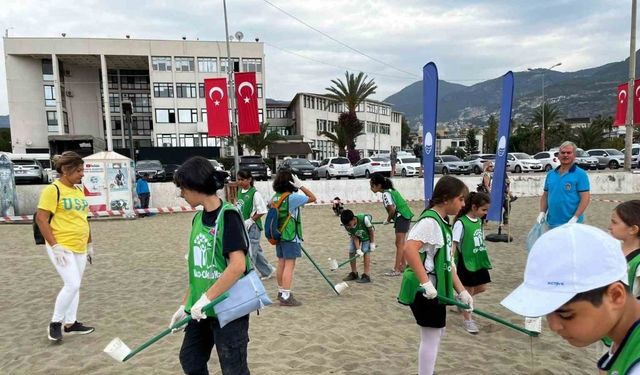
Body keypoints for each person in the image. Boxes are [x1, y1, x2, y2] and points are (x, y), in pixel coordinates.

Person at [501, 224, 640, 375]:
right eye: (547, 311)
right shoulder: (623, 337)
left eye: (566, 314)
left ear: (615, 296)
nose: (553, 326)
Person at [169, 156, 251, 375]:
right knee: (191, 359)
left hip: (227, 306)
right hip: (200, 311)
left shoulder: (228, 216)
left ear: (195, 186)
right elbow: (198, 270)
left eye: (182, 188)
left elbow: (237, 266)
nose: (181, 194)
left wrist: (207, 298)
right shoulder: (197, 219)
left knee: (233, 368)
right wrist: (185, 305)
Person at [397, 175, 474, 375]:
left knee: (437, 333)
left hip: (433, 287)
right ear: (446, 198)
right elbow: (409, 249)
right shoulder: (430, 221)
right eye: (461, 199)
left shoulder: (442, 222)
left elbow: (448, 264)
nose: (463, 204)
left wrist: (462, 291)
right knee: (431, 336)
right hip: (424, 290)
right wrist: (426, 283)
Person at [35, 151, 95, 342]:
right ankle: (55, 323)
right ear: (65, 171)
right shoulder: (53, 190)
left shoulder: (78, 191)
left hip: (80, 245)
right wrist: (55, 245)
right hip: (62, 245)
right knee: (72, 283)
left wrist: (90, 243)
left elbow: (83, 218)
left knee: (75, 286)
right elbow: (41, 219)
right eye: (78, 171)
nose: (82, 174)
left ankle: (71, 323)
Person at [271, 170, 316, 306]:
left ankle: (281, 292)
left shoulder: (275, 197)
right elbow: (313, 198)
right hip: (290, 235)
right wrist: (301, 186)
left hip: (278, 234)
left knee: (281, 263)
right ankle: (286, 295)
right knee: (289, 265)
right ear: (291, 183)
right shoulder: (291, 198)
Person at [452, 192, 492, 334]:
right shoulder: (461, 222)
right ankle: (468, 320)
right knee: (469, 290)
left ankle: (459, 300)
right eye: (484, 210)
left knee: (482, 288)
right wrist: (451, 259)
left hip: (477, 259)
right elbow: (454, 243)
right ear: (474, 207)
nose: (485, 213)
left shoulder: (479, 221)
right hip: (466, 262)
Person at [538, 141, 590, 229]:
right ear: (558, 155)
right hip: (552, 223)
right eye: (562, 153)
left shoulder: (580, 174)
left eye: (569, 153)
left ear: (574, 155)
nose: (565, 155)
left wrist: (575, 217)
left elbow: (585, 198)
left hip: (573, 224)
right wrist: (542, 212)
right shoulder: (551, 174)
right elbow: (545, 195)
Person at [370, 172, 414, 276]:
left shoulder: (386, 193)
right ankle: (403, 265)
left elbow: (392, 209)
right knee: (400, 244)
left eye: (372, 185)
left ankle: (397, 269)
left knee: (399, 244)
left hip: (401, 217)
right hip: (405, 216)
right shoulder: (390, 190)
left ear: (379, 185)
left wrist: (388, 220)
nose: (371, 188)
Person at [236, 169, 275, 280]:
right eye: (238, 179)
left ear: (249, 180)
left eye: (242, 179)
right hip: (243, 225)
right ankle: (267, 271)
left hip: (253, 226)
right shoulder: (239, 191)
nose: (240, 182)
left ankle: (249, 275)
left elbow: (262, 210)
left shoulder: (255, 193)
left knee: (250, 252)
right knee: (256, 250)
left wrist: (251, 220)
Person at [608, 200, 640, 298]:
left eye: (614, 222)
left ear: (633, 229)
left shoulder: (637, 262)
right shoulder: (613, 249)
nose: (609, 227)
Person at [339, 209, 376, 283]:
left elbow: (371, 231)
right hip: (356, 236)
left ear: (353, 219)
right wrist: (358, 250)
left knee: (366, 251)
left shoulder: (364, 219)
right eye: (346, 226)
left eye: (349, 225)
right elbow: (354, 236)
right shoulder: (346, 225)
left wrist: (372, 243)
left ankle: (366, 275)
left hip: (367, 236)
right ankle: (354, 273)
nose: (348, 227)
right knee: (351, 250)